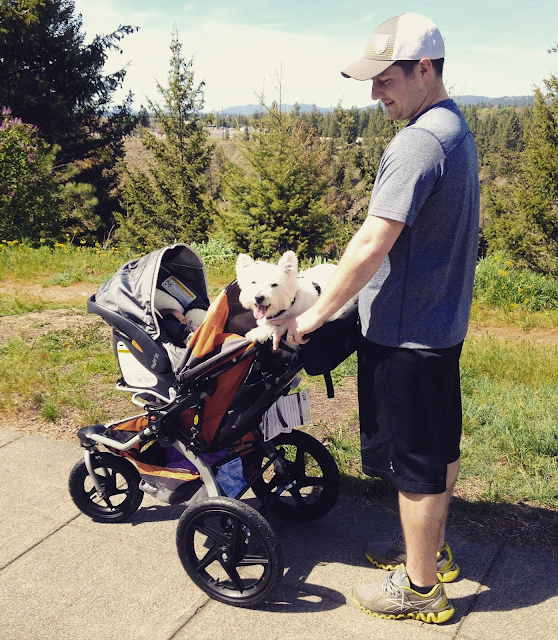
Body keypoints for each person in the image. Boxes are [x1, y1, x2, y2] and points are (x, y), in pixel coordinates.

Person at [285, 12, 480, 623]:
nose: (374, 94)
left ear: (424, 69)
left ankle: (420, 591)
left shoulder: (418, 143)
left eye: (385, 79)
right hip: (439, 326)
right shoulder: (454, 128)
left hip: (406, 336)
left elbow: (372, 241)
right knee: (438, 449)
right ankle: (430, 554)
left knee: (415, 466)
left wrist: (316, 315)